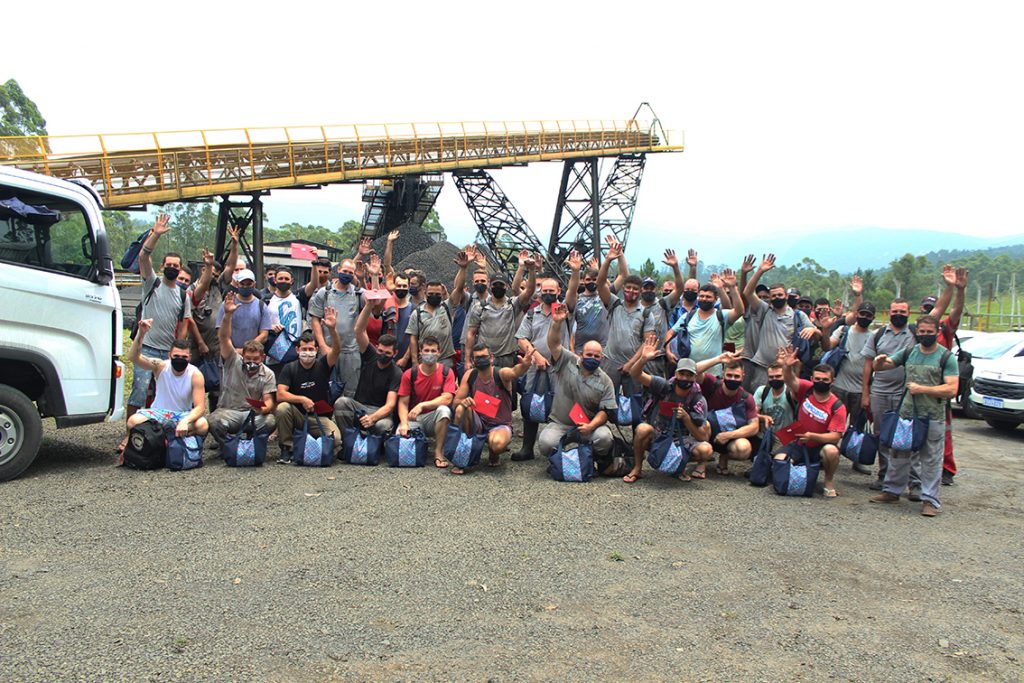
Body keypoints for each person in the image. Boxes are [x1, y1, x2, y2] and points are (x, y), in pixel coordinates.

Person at [868, 316, 959, 517]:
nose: (925, 335)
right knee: (898, 453)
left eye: (929, 332)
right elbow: (886, 364)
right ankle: (891, 492)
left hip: (933, 416)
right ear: (917, 332)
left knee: (931, 459)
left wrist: (923, 389)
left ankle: (930, 500)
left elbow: (952, 388)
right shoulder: (910, 352)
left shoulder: (946, 357)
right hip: (907, 415)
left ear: (937, 332)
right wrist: (879, 361)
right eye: (922, 332)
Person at [125, 213, 194, 428]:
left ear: (181, 268)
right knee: (139, 390)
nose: (173, 268)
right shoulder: (152, 284)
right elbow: (143, 258)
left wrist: (178, 347)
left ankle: (165, 428)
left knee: (167, 392)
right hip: (146, 347)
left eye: (177, 265)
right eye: (169, 264)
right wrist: (155, 234)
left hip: (167, 352)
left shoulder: (183, 295)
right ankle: (131, 430)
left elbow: (183, 323)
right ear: (163, 266)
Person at [537, 303, 617, 467]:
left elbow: (605, 411)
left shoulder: (605, 380)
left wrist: (591, 426)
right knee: (545, 443)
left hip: (588, 426)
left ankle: (588, 458)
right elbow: (554, 344)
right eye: (589, 354)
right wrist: (556, 323)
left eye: (596, 356)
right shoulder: (567, 360)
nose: (592, 358)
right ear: (581, 354)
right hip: (561, 423)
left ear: (601, 358)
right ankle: (561, 458)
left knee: (604, 438)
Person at [622, 342, 713, 483]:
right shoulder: (663, 386)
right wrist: (643, 359)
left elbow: (701, 436)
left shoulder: (698, 399)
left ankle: (679, 467)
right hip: (658, 435)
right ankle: (637, 468)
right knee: (642, 429)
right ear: (676, 373)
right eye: (682, 373)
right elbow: (635, 374)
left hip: (682, 439)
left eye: (689, 375)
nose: (685, 378)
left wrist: (687, 418)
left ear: (695, 377)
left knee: (706, 450)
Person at [512, 272, 574, 461]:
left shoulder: (565, 311)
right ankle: (527, 448)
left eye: (551, 291)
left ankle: (557, 449)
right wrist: (536, 355)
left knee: (560, 406)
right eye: (544, 290)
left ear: (558, 292)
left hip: (560, 367)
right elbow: (521, 339)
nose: (548, 293)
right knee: (531, 403)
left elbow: (573, 291)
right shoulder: (532, 313)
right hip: (534, 367)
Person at [861, 297, 918, 493]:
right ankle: (884, 476)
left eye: (902, 311)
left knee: (906, 436)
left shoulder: (914, 333)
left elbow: (937, 314)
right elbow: (868, 366)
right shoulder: (877, 335)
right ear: (889, 312)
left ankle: (911, 482)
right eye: (895, 311)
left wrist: (953, 288)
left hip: (905, 394)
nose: (898, 315)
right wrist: (865, 393)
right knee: (882, 436)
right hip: (880, 391)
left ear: (909, 313)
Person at [124, 319, 208, 448]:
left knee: (202, 425)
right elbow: (134, 357)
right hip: (158, 413)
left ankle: (172, 441)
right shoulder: (161, 366)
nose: (180, 359)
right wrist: (141, 334)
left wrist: (185, 421)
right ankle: (159, 440)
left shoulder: (195, 374)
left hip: (181, 414)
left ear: (189, 357)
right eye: (176, 356)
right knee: (133, 421)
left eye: (184, 357)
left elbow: (200, 407)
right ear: (169, 355)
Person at [206, 292, 277, 447]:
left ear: (262, 358)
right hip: (229, 411)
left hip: (253, 413)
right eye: (248, 359)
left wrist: (264, 409)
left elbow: (269, 402)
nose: (251, 362)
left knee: (270, 421)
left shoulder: (268, 374)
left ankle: (253, 445)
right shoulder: (232, 360)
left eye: (255, 360)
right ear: (242, 356)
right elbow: (223, 338)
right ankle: (229, 447)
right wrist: (228, 314)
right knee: (213, 420)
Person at [274, 308, 343, 462]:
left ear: (316, 350)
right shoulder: (289, 368)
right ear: (297, 350)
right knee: (282, 408)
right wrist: (302, 399)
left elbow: (337, 350)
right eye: (304, 349)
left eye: (311, 349)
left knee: (337, 440)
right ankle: (288, 448)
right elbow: (280, 394)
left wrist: (332, 329)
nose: (307, 353)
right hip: (297, 416)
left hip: (319, 417)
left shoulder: (323, 364)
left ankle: (311, 446)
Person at [741, 253, 819, 391]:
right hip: (763, 367)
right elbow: (747, 292)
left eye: (780, 295)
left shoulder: (798, 315)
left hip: (786, 369)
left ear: (786, 296)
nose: (777, 298)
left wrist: (813, 329)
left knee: (784, 403)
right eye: (774, 296)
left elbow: (818, 335)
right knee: (760, 399)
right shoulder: (764, 310)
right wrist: (760, 271)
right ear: (770, 298)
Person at [451, 342, 532, 473]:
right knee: (461, 409)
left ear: (491, 358)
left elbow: (513, 372)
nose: (481, 360)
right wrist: (464, 402)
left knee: (497, 445)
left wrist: (524, 366)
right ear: (473, 360)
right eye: (478, 357)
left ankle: (493, 453)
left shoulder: (500, 374)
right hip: (478, 422)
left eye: (484, 356)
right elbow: (456, 402)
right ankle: (465, 455)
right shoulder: (470, 375)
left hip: (500, 424)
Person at [778, 348, 847, 498]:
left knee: (832, 451)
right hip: (797, 439)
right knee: (778, 460)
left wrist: (813, 436)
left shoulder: (838, 406)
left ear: (832, 381)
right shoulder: (806, 389)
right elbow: (790, 380)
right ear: (811, 378)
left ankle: (828, 481)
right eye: (817, 379)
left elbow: (835, 436)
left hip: (819, 445)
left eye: (825, 380)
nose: (820, 382)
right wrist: (787, 366)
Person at [334, 293, 402, 436]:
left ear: (395, 354)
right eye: (381, 350)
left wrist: (373, 418)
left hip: (380, 411)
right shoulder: (371, 355)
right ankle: (349, 441)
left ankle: (376, 448)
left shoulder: (396, 373)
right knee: (342, 403)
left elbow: (390, 405)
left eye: (387, 353)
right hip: (359, 406)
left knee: (384, 426)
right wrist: (369, 306)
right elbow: (358, 331)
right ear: (377, 347)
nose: (382, 355)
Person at [821, 297, 875, 473]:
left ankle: (856, 458)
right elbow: (828, 346)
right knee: (834, 424)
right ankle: (829, 456)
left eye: (868, 315)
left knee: (858, 425)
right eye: (862, 313)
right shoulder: (844, 330)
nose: (865, 317)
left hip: (861, 389)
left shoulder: (875, 337)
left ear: (873, 318)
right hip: (840, 386)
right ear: (856, 314)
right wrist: (826, 329)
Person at [467, 251, 536, 368]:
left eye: (501, 285)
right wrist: (468, 360)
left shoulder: (513, 304)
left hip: (507, 357)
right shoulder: (479, 307)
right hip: (485, 356)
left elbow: (529, 292)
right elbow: (471, 333)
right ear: (490, 285)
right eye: (495, 285)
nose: (498, 287)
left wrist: (531, 270)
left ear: (506, 286)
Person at [396, 336, 457, 468]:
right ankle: (420, 447)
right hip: (414, 417)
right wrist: (404, 423)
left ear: (439, 353)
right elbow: (402, 403)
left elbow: (447, 398)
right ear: (420, 352)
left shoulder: (446, 372)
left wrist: (422, 405)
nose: (430, 353)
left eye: (433, 351)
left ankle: (438, 452)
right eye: (427, 350)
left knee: (444, 411)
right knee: (400, 444)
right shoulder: (410, 374)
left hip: (433, 418)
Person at [665, 277, 745, 377]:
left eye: (708, 297)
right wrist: (668, 352)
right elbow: (670, 333)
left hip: (714, 373)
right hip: (690, 373)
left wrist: (732, 288)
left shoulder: (721, 316)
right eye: (701, 296)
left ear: (716, 299)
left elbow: (739, 311)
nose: (704, 299)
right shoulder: (687, 317)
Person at [694, 353, 759, 475]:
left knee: (743, 449)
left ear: (743, 377)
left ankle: (724, 457)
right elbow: (693, 370)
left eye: (736, 376)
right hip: (706, 433)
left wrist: (728, 435)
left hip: (729, 437)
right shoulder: (712, 384)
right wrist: (718, 359)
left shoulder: (747, 398)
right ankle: (702, 463)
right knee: (705, 423)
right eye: (729, 375)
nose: (732, 379)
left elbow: (754, 427)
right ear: (723, 374)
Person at [406, 248, 471, 369]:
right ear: (425, 291)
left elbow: (459, 288)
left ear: (442, 294)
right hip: (424, 358)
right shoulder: (418, 313)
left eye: (437, 294)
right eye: (431, 294)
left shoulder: (447, 307)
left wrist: (463, 268)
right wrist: (414, 361)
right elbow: (413, 338)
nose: (434, 296)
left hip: (445, 359)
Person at [308, 258, 364, 399]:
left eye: (350, 273)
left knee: (351, 391)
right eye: (344, 271)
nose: (347, 274)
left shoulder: (358, 294)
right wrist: (321, 345)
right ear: (338, 270)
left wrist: (373, 276)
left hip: (351, 350)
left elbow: (376, 304)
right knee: (324, 389)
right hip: (328, 349)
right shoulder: (324, 293)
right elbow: (315, 319)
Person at [597, 241, 645, 390]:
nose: (632, 291)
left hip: (634, 365)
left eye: (636, 289)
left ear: (641, 291)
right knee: (606, 402)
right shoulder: (614, 304)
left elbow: (646, 343)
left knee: (632, 404)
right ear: (623, 288)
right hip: (610, 362)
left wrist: (631, 364)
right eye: (628, 287)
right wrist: (608, 260)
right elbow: (600, 283)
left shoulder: (646, 313)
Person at [216, 268, 271, 352]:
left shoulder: (262, 306)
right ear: (237, 284)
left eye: (249, 284)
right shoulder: (227, 305)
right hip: (230, 354)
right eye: (242, 284)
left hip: (253, 354)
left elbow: (264, 334)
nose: (245, 286)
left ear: (254, 284)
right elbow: (220, 332)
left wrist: (246, 350)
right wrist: (233, 351)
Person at [265, 266, 304, 379]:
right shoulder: (266, 300)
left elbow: (312, 286)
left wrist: (315, 264)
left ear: (292, 281)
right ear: (275, 280)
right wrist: (270, 327)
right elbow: (259, 324)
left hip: (294, 351)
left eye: (286, 279)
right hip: (274, 353)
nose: (283, 281)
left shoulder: (298, 297)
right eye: (280, 278)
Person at [752, 361, 798, 456]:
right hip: (765, 435)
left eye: (778, 376)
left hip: (786, 436)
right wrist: (763, 417)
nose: (774, 379)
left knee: (777, 458)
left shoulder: (790, 392)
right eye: (771, 377)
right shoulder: (762, 390)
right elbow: (752, 414)